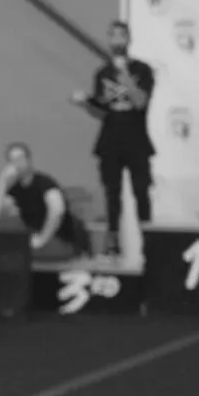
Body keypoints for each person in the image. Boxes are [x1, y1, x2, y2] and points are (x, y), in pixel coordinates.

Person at [70, 20, 155, 257]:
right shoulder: (102, 73)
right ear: (109, 40)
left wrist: (125, 75)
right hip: (110, 140)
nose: (117, 40)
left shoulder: (143, 70)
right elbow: (101, 110)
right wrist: (85, 102)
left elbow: (140, 102)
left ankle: (148, 240)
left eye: (122, 35)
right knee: (112, 193)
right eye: (113, 36)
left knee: (141, 192)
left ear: (129, 39)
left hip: (137, 139)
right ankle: (113, 242)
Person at [0, 142, 92, 260]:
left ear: (28, 160)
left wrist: (42, 239)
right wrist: (2, 182)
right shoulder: (15, 189)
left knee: (15, 256)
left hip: (59, 240)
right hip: (32, 241)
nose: (16, 164)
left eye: (19, 159)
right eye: (11, 161)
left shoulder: (44, 183)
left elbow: (57, 210)